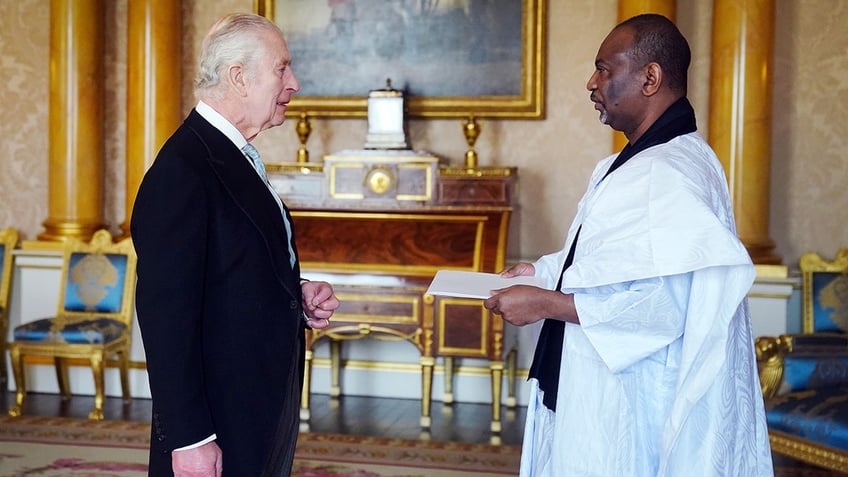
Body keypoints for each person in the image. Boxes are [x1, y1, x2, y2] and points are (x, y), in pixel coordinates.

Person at [483, 14, 774, 477]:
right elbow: (607, 262)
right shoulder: (635, 162)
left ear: (650, 77)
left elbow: (665, 306)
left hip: (634, 396)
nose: (591, 83)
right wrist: (539, 272)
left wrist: (547, 304)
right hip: (602, 377)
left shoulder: (671, 171)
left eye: (604, 69)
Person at [131, 13, 340, 477]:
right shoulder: (182, 172)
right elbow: (167, 317)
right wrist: (189, 439)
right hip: (216, 424)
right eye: (282, 68)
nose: (295, 83)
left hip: (254, 408)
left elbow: (230, 266)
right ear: (239, 77)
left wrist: (294, 293)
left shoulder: (232, 155)